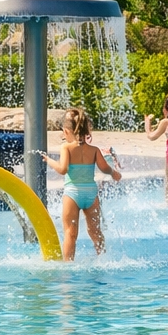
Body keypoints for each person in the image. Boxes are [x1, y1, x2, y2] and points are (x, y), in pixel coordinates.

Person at [41, 107, 123, 260]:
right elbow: (104, 168)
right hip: (91, 194)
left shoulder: (66, 147)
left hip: (73, 194)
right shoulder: (94, 150)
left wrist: (49, 160)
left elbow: (63, 169)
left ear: (66, 131)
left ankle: (67, 267)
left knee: (70, 234)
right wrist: (114, 173)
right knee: (95, 231)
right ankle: (103, 259)